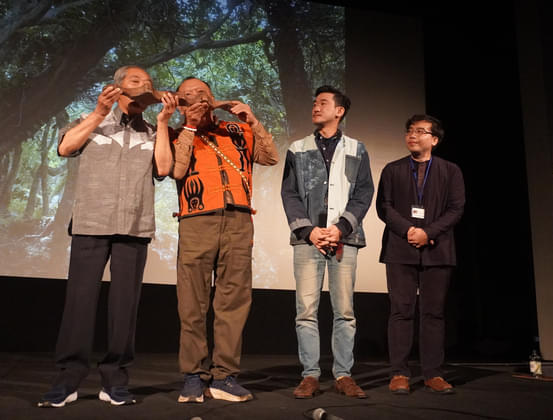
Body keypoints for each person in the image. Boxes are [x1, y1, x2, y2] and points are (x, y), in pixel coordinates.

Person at [38, 66, 175, 407]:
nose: (144, 86)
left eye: (148, 84)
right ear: (116, 89)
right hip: (90, 224)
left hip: (134, 227)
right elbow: (65, 148)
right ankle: (68, 379)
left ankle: (114, 380)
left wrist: (161, 124)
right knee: (80, 303)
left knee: (124, 308)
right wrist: (100, 112)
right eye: (135, 81)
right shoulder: (91, 118)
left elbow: (163, 170)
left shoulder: (153, 130)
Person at [171, 77, 278, 403]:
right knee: (192, 304)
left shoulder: (236, 130)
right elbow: (176, 170)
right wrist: (189, 127)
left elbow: (269, 157)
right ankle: (192, 375)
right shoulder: (174, 134)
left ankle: (224, 376)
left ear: (214, 98)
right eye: (187, 97)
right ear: (179, 104)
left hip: (238, 220)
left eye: (202, 94)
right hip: (196, 221)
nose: (197, 99)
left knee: (233, 302)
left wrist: (252, 120)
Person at [281, 85, 374, 399]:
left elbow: (363, 193)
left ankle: (343, 374)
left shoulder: (357, 148)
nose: (315, 107)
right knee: (305, 310)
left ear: (340, 110)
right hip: (309, 241)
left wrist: (342, 227)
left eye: (323, 103)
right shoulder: (298, 148)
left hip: (343, 240)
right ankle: (310, 375)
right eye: (314, 103)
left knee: (344, 311)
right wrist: (308, 231)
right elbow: (289, 194)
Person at [376, 114, 465, 395]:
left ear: (434, 140)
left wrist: (428, 233)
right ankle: (400, 373)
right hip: (400, 249)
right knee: (401, 311)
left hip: (437, 249)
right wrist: (409, 231)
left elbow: (456, 209)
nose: (412, 135)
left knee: (433, 313)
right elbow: (385, 207)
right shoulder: (392, 169)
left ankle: (433, 374)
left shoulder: (451, 171)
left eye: (420, 131)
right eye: (409, 130)